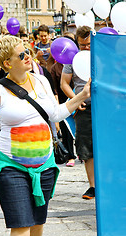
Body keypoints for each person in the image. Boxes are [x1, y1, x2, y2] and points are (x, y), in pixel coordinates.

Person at [0, 35, 91, 236]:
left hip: (44, 167)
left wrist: (82, 95)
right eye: (21, 55)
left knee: (38, 224)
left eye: (28, 52)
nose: (28, 57)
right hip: (11, 166)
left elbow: (55, 114)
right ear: (7, 63)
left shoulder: (41, 80)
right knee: (21, 225)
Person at [61, 26, 95, 199]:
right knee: (85, 147)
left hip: (105, 106)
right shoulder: (72, 59)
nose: (86, 48)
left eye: (89, 44)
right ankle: (93, 186)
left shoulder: (101, 56)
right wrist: (76, 99)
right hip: (84, 107)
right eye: (82, 45)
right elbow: (64, 83)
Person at [51, 32, 77, 167]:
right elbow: (56, 87)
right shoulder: (55, 67)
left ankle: (81, 153)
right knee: (66, 130)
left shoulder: (78, 61)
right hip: (63, 101)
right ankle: (70, 156)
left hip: (78, 97)